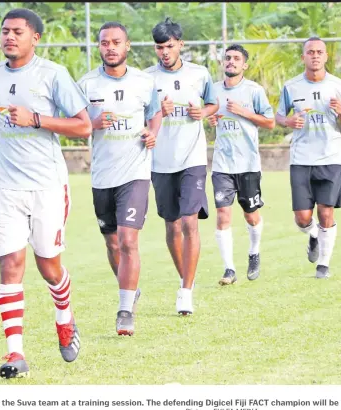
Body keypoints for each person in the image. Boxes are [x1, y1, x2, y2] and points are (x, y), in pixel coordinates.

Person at [0, 8, 92, 378]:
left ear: (34, 37)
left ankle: (65, 319)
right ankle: (15, 355)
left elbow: (84, 126)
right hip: (5, 186)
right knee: (10, 265)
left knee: (48, 267)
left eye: (17, 32)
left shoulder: (53, 74)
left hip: (47, 186)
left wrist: (35, 118)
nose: (9, 37)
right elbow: (4, 128)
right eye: (5, 31)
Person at [77, 22, 161, 336]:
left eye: (116, 42)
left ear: (127, 46)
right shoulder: (85, 84)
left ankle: (125, 310)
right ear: (99, 47)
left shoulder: (144, 81)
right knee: (112, 243)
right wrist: (94, 123)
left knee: (128, 241)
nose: (110, 47)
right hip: (102, 176)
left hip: (135, 174)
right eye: (104, 43)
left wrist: (153, 134)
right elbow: (75, 123)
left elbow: (155, 114)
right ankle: (130, 289)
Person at [144, 18, 218, 315]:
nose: (164, 52)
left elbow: (213, 104)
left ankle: (185, 292)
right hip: (160, 161)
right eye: (160, 47)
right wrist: (156, 113)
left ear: (180, 44)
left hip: (193, 159)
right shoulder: (145, 79)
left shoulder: (199, 74)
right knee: (172, 224)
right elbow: (139, 116)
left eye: (170, 46)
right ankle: (185, 278)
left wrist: (204, 110)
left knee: (190, 222)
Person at [276, 37, 341, 279]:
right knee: (303, 218)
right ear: (303, 57)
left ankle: (323, 265)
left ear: (326, 56)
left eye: (320, 52)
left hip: (330, 157)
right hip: (301, 159)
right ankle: (312, 236)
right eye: (311, 52)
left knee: (326, 212)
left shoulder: (339, 86)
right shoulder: (291, 87)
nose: (315, 56)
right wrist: (289, 121)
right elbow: (278, 117)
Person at [206, 44, 275, 285]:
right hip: (222, 164)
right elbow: (210, 117)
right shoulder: (213, 91)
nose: (231, 62)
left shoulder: (254, 91)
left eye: (236, 59)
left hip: (248, 165)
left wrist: (244, 112)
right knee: (223, 215)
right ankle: (229, 269)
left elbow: (270, 123)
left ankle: (254, 252)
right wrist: (212, 119)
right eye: (227, 58)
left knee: (251, 216)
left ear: (244, 65)